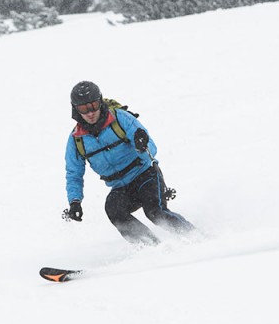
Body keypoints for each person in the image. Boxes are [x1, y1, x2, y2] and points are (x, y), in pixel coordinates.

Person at [63, 80, 195, 245]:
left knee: (155, 212)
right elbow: (74, 173)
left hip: (145, 175)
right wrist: (75, 201)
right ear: (76, 110)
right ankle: (151, 247)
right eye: (84, 109)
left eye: (94, 105)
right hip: (121, 187)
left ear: (100, 102)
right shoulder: (77, 140)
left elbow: (151, 148)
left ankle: (195, 236)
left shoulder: (120, 118)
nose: (90, 113)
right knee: (113, 210)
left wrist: (141, 143)